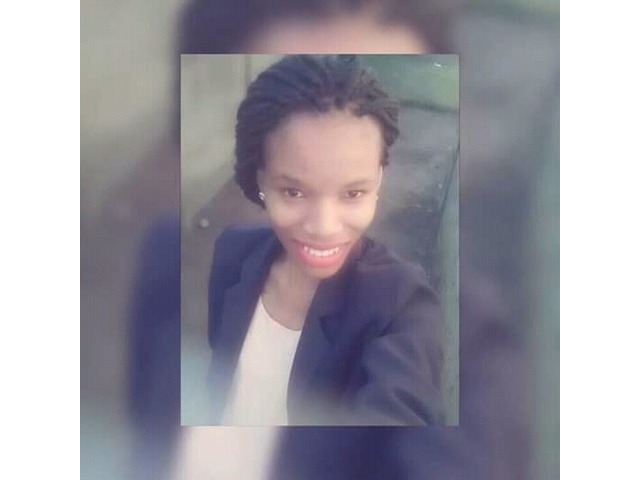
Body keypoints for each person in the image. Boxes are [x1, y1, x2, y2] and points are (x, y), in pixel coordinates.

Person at [207, 54, 445, 426]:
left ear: (378, 180)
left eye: (353, 194)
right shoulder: (233, 253)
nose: (323, 227)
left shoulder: (401, 306)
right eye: (293, 192)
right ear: (260, 179)